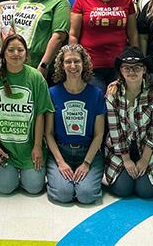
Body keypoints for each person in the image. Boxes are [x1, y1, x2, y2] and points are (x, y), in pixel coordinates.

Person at [0, 34, 54, 195]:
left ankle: (30, 168)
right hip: (4, 148)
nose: (16, 54)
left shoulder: (36, 77)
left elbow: (40, 114)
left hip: (29, 148)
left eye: (20, 50)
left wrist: (37, 146)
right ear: (3, 54)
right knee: (6, 188)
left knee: (34, 188)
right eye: (11, 50)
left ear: (26, 54)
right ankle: (9, 171)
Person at [45, 44, 106, 204]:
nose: (73, 66)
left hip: (88, 153)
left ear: (84, 64)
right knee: (63, 195)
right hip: (61, 151)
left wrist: (86, 163)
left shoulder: (96, 93)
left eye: (77, 61)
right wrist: (60, 162)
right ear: (62, 65)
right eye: (68, 62)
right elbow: (48, 133)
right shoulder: (52, 93)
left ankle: (82, 182)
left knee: (86, 196)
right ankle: (65, 181)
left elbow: (99, 134)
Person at [70, 0, 138, 93]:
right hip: (91, 66)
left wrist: (136, 61)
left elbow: (133, 34)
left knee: (118, 106)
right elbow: (73, 35)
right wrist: (75, 60)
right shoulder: (82, 0)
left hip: (120, 66)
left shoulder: (126, 0)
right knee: (98, 105)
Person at [104, 47, 153, 198]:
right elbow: (114, 130)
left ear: (144, 70)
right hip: (120, 148)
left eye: (137, 68)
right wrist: (126, 160)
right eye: (126, 68)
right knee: (123, 190)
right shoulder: (113, 92)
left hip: (147, 147)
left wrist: (144, 160)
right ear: (121, 71)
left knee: (146, 191)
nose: (132, 72)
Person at [12, 0, 71, 78]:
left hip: (42, 66)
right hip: (17, 62)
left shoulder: (61, 3)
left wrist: (43, 65)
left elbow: (58, 37)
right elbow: (13, 28)